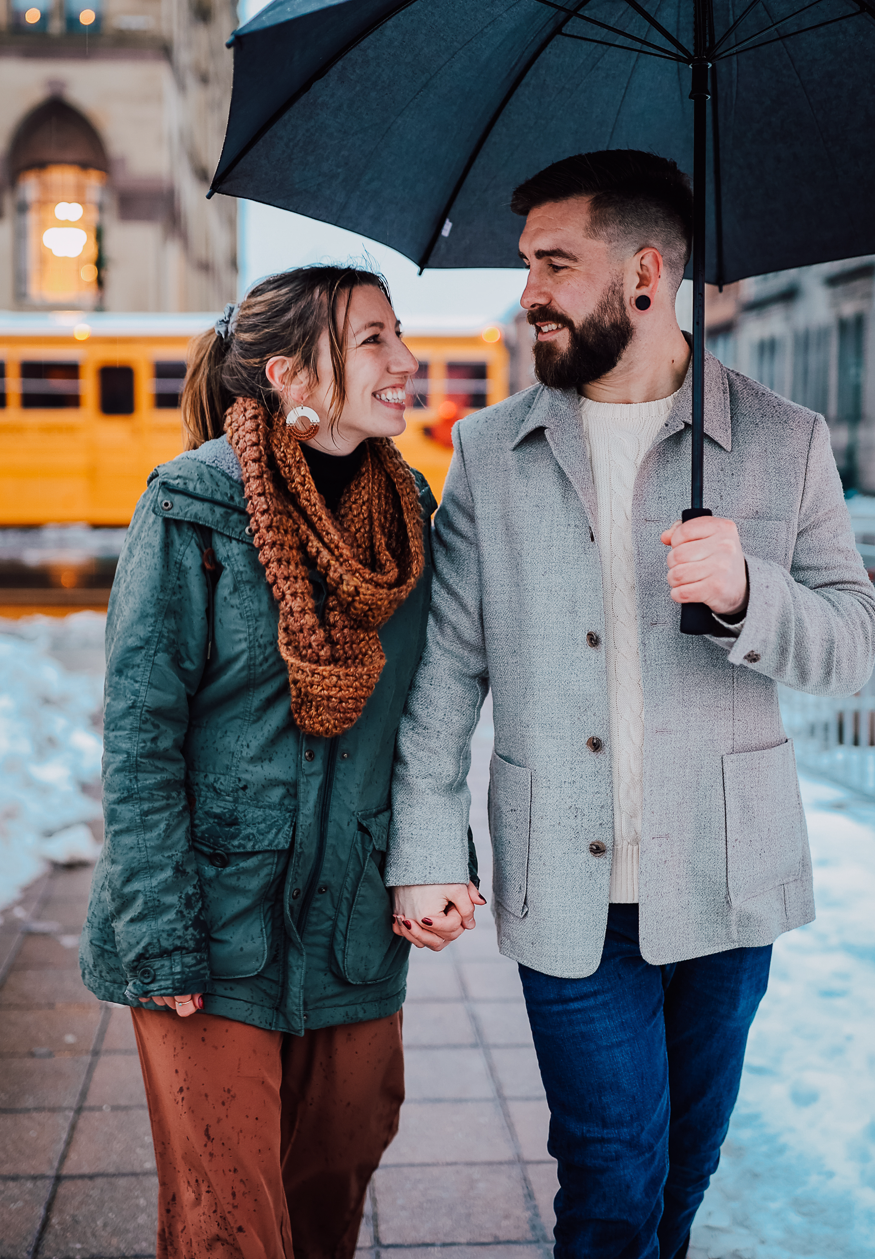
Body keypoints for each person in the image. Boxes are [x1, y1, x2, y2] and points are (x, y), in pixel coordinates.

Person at [385, 150, 875, 1259]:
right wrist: (429, 844)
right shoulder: (492, 452)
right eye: (527, 265)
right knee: (609, 1175)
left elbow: (854, 642)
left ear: (646, 274)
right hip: (567, 883)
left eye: (556, 264)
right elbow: (446, 673)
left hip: (727, 877)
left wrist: (753, 588)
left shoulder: (784, 440)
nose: (530, 294)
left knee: (683, 1166)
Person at [80, 265, 471, 1259]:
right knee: (231, 1226)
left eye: (400, 334)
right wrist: (161, 936)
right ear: (292, 372)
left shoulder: (409, 514)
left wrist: (436, 853)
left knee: (330, 1190)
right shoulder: (193, 504)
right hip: (207, 926)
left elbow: (433, 706)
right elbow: (139, 735)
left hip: (349, 928)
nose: (407, 361)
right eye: (375, 338)